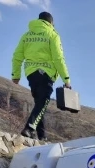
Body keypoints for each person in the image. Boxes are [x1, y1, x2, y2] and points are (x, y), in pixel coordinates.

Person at [11, 11, 71, 140]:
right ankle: (29, 128)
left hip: (31, 74)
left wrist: (16, 75)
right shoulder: (53, 35)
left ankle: (41, 136)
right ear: (51, 23)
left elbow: (17, 56)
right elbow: (58, 58)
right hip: (47, 73)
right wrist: (66, 79)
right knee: (43, 102)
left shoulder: (26, 35)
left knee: (39, 103)